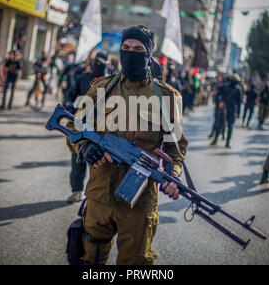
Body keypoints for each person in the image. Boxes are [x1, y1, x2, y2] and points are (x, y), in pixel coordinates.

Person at [67, 25, 187, 265]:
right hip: (99, 197)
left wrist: (172, 175)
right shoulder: (101, 88)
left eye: (138, 49)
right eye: (126, 48)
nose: (131, 53)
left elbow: (175, 147)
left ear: (149, 56)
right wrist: (85, 147)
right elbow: (74, 128)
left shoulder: (166, 96)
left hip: (139, 201)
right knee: (89, 262)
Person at [64, 51, 109, 203]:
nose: (97, 65)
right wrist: (72, 112)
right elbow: (69, 96)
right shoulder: (82, 79)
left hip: (101, 131)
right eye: (96, 61)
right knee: (78, 159)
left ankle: (94, 197)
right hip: (81, 126)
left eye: (101, 63)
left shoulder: (112, 84)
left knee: (99, 164)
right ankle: (76, 190)